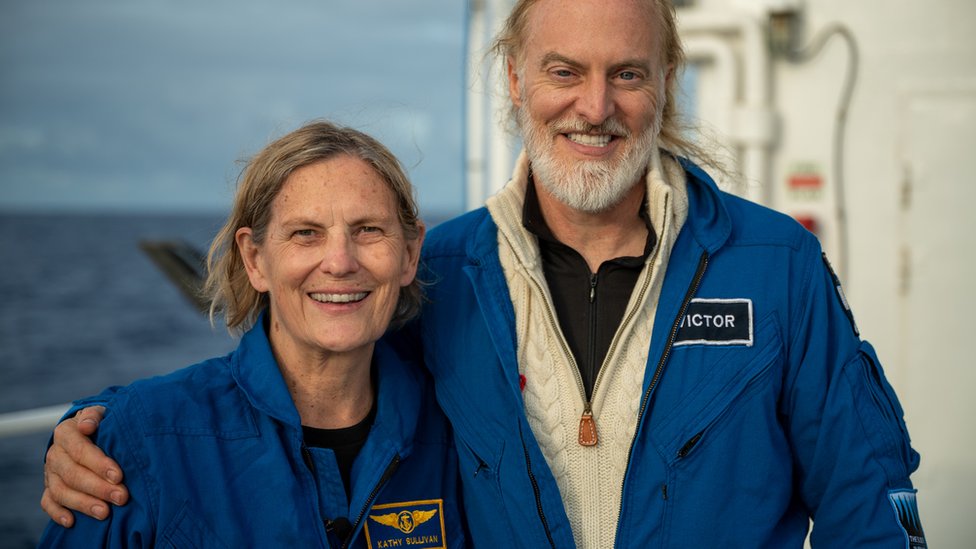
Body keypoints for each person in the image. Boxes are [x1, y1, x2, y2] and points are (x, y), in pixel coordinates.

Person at [42, 1, 925, 547]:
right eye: (563, 71)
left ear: (666, 81)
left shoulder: (775, 265)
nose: (595, 105)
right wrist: (109, 431)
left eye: (626, 73)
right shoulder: (442, 272)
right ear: (514, 79)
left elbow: (863, 494)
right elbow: (302, 381)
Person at [37, 120, 466, 548]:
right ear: (255, 258)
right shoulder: (141, 441)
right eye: (305, 233)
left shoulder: (462, 429)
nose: (339, 262)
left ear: (409, 254)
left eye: (368, 229)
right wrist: (108, 428)